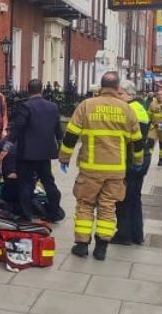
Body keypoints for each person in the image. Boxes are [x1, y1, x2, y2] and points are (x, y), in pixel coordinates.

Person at [58, 71, 143, 261]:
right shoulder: (126, 109)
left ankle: (81, 245)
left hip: (90, 168)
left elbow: (71, 135)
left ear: (101, 86)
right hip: (116, 169)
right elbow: (137, 140)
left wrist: (64, 157)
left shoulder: (86, 106)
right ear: (117, 88)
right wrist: (138, 162)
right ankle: (102, 247)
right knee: (108, 206)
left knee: (85, 204)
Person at [0, 79, 64, 222]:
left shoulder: (25, 107)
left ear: (28, 90)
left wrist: (6, 148)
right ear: (42, 90)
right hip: (45, 153)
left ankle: (26, 214)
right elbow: (58, 130)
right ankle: (54, 211)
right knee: (48, 182)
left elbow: (16, 129)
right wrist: (61, 148)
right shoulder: (53, 107)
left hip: (27, 153)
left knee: (26, 184)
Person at [111, 80, 150, 245]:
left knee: (124, 198)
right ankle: (136, 234)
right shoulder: (139, 107)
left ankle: (124, 235)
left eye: (120, 94)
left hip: (133, 159)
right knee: (134, 198)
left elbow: (133, 139)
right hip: (141, 158)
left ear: (130, 95)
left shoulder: (129, 109)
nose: (118, 97)